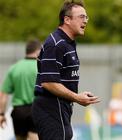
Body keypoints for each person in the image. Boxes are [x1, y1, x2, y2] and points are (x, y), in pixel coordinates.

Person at [32, 1, 100, 140]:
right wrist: (76, 97)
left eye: (87, 17)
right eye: (81, 17)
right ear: (67, 20)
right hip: (51, 107)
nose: (85, 21)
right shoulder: (56, 44)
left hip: (61, 108)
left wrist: (78, 95)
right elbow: (48, 82)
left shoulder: (67, 43)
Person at [0, 39, 41, 140]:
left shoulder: (14, 68)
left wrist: (1, 114)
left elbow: (4, 94)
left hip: (18, 111)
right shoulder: (41, 67)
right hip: (35, 109)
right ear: (38, 51)